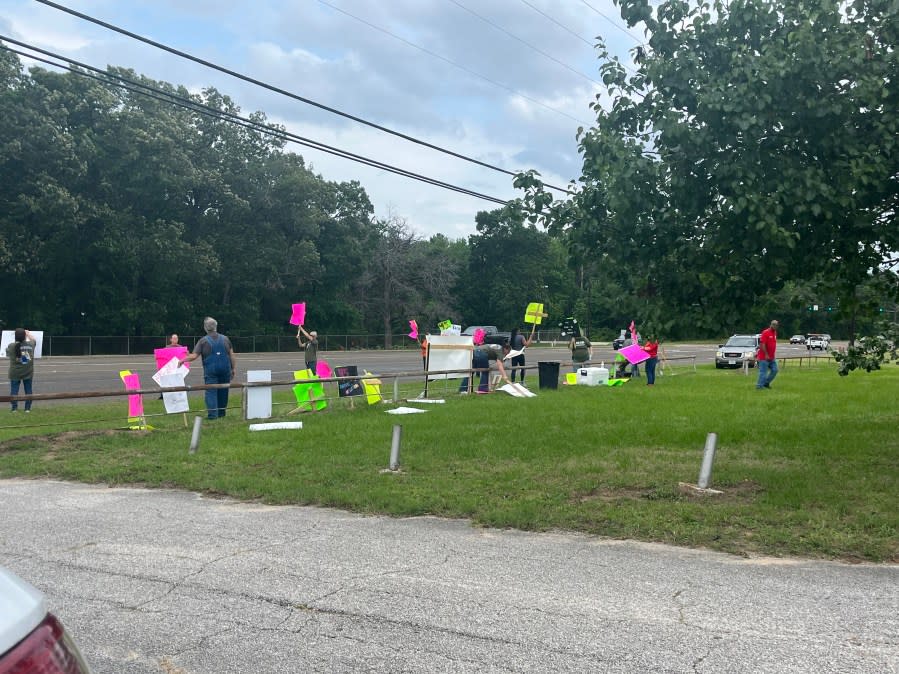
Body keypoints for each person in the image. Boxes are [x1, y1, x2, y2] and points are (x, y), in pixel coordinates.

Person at [180, 317, 236, 419]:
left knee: (211, 392)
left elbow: (194, 356)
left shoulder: (203, 341)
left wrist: (182, 360)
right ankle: (221, 413)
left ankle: (212, 415)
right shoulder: (225, 339)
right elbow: (232, 355)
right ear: (216, 326)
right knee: (223, 391)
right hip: (225, 369)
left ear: (205, 328)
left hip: (211, 370)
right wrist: (233, 369)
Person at [7, 328, 35, 412]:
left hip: (15, 372)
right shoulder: (30, 344)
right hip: (28, 372)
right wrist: (28, 333)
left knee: (14, 391)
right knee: (28, 390)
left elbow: (8, 353)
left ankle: (14, 408)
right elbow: (33, 340)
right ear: (24, 336)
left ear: (15, 337)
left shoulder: (11, 346)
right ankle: (27, 408)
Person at [756, 319, 780, 390]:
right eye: (774, 324)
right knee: (763, 372)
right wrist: (766, 354)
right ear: (771, 325)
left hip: (772, 357)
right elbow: (762, 344)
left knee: (775, 370)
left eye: (776, 325)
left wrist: (771, 355)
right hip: (764, 357)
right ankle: (759, 386)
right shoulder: (765, 332)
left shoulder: (775, 333)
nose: (775, 326)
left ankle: (766, 383)